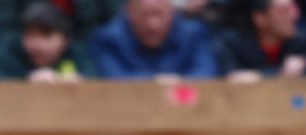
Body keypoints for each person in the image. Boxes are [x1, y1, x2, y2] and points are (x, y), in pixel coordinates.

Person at [90, 0, 220, 80]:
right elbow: (112, 80)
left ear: (171, 11)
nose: (152, 24)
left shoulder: (194, 34)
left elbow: (207, 74)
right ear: (129, 13)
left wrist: (177, 84)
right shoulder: (109, 39)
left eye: (159, 14)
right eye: (144, 15)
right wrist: (155, 82)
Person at [0, 0, 95, 80]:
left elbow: (95, 79)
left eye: (46, 35)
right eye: (31, 35)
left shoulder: (77, 52)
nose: (38, 44)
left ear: (65, 40)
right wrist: (27, 81)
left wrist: (79, 81)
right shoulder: (8, 52)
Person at [218, 0, 306, 78]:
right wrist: (278, 74)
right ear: (260, 18)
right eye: (283, 11)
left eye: (293, 8)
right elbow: (231, 78)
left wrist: (257, 76)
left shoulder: (302, 41)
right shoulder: (232, 43)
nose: (294, 15)